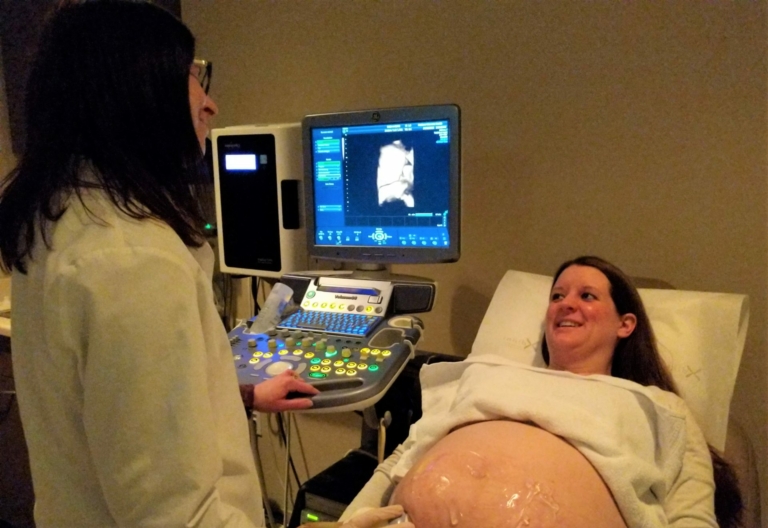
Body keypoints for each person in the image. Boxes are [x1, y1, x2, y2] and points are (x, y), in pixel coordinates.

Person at [0, 2, 409, 527]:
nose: (210, 104)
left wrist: (236, 395)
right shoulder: (135, 265)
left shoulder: (57, 220)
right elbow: (175, 517)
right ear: (140, 93)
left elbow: (113, 416)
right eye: (194, 76)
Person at [340, 256, 742, 528]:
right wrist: (350, 520)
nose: (566, 304)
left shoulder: (655, 405)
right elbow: (404, 456)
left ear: (626, 324)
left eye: (587, 296)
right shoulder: (485, 372)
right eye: (557, 296)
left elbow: (691, 511)